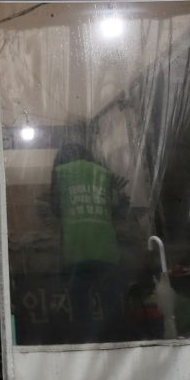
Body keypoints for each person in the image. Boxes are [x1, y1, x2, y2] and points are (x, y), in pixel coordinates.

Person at [50, 142, 125, 342]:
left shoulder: (60, 172)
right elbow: (115, 207)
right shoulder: (103, 173)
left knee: (80, 306)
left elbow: (55, 208)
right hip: (106, 248)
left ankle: (87, 346)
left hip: (76, 249)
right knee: (111, 305)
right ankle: (116, 344)